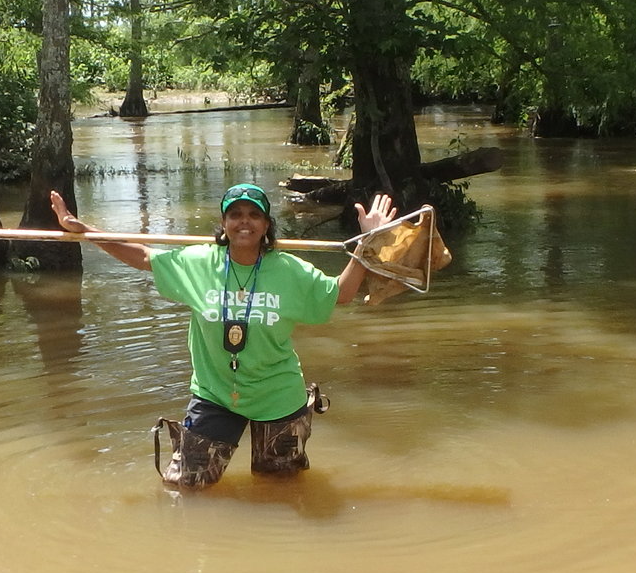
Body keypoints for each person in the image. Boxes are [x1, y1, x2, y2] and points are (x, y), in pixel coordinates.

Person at [49, 181, 396, 486]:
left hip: (277, 395)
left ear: (266, 225)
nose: (244, 221)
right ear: (224, 223)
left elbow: (342, 293)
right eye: (235, 214)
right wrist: (86, 231)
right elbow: (142, 256)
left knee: (281, 491)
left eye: (253, 215)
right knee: (186, 486)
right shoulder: (199, 263)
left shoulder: (290, 270)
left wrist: (370, 241)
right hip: (216, 393)